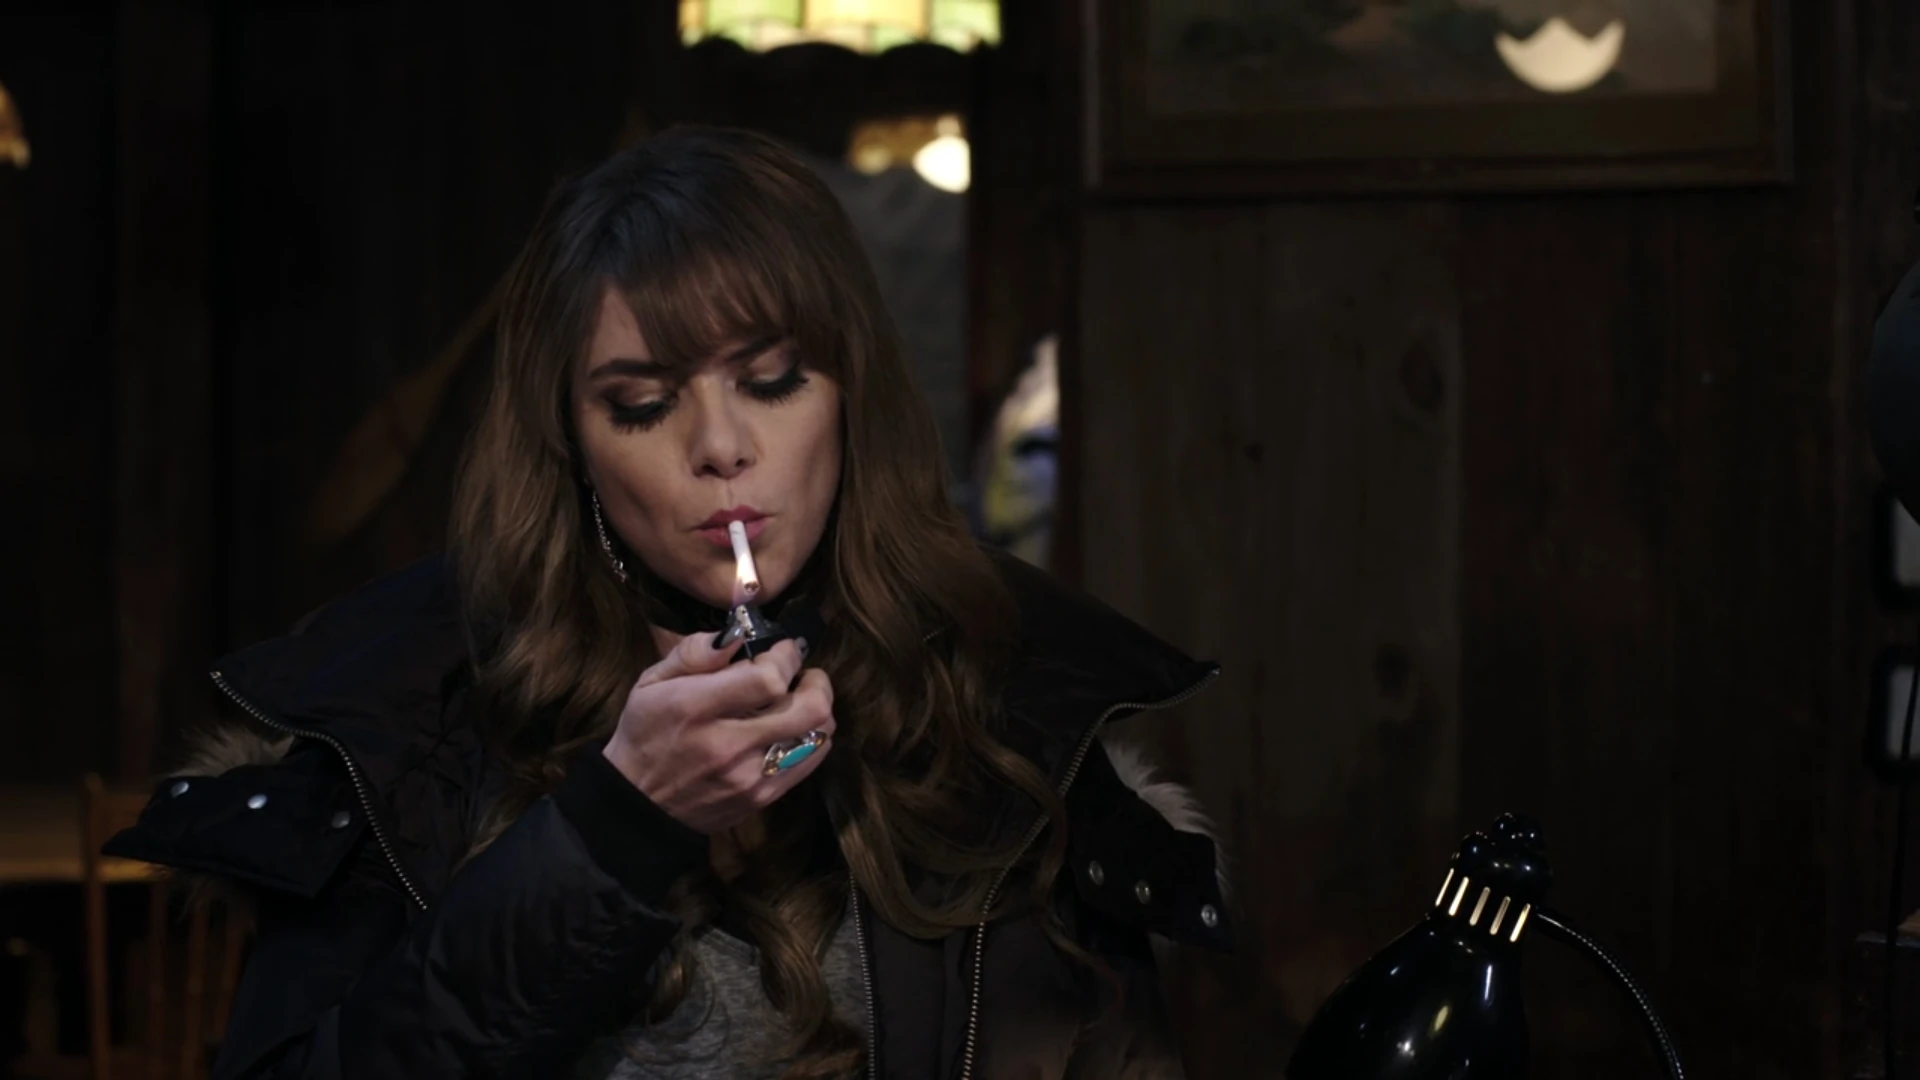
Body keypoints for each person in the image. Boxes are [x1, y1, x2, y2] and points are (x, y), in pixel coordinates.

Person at [105, 127, 1231, 1080]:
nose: (721, 447)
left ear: (853, 396)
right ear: (572, 444)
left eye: (772, 381)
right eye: (643, 404)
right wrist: (613, 831)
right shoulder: (407, 726)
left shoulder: (1011, 700)